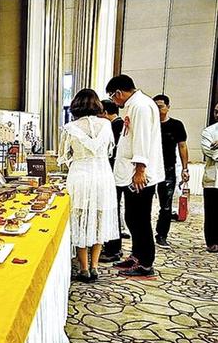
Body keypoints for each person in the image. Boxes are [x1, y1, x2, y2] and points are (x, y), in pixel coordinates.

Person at [106, 75, 165, 278]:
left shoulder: (141, 106)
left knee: (140, 219)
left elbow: (142, 139)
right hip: (132, 172)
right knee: (132, 217)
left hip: (139, 175)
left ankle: (145, 263)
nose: (114, 102)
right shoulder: (135, 105)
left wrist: (140, 170)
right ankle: (136, 255)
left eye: (113, 97)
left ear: (118, 93)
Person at [58, 89, 119, 282]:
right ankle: (95, 266)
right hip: (103, 176)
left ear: (76, 105)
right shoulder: (106, 125)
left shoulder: (69, 128)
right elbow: (109, 151)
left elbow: (63, 157)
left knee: (79, 218)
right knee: (99, 218)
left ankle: (83, 268)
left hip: (80, 176)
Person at [152, 94, 189, 248]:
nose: (157, 109)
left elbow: (182, 146)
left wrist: (185, 169)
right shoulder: (149, 124)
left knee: (166, 205)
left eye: (160, 106)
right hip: (149, 168)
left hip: (168, 168)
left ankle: (161, 235)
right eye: (155, 106)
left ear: (168, 107)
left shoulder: (176, 125)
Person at [99, 99, 126, 262]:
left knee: (111, 211)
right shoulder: (119, 124)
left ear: (104, 113)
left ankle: (113, 249)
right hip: (116, 174)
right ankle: (113, 247)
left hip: (113, 174)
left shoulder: (114, 126)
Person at [201, 103, 218, 253]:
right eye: (216, 111)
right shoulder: (209, 131)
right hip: (212, 179)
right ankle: (212, 242)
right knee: (212, 212)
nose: (217, 114)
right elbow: (209, 151)